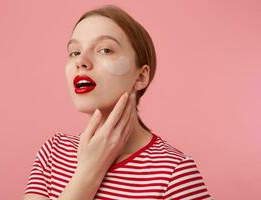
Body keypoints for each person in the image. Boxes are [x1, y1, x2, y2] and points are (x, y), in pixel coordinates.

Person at [24, 5, 212, 200]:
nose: (81, 61)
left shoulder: (175, 173)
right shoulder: (53, 153)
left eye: (105, 50)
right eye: (74, 52)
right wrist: (89, 170)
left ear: (141, 76)